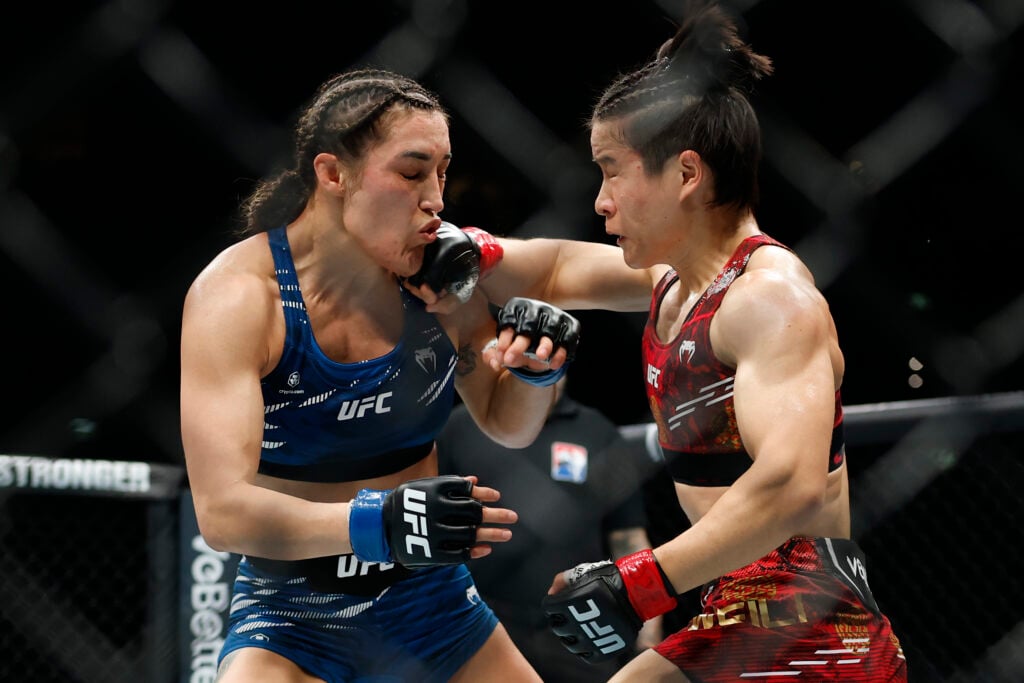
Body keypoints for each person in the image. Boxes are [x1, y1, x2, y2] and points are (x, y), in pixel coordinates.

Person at [455, 1, 910, 680]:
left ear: (687, 174)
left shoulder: (768, 298)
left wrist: (639, 578)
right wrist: (460, 248)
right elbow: (552, 267)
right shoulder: (677, 284)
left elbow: (792, 482)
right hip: (739, 607)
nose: (601, 199)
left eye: (612, 169)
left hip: (813, 619)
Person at [179, 68, 583, 683]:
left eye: (443, 173)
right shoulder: (239, 298)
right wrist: (383, 521)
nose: (437, 199)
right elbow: (223, 513)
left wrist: (534, 375)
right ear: (332, 173)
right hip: (294, 616)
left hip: (433, 607)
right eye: (412, 171)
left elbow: (508, 425)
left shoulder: (437, 278)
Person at [436, 373, 666, 681]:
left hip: (580, 620)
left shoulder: (596, 431)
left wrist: (649, 633)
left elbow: (628, 537)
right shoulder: (460, 426)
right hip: (480, 616)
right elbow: (431, 526)